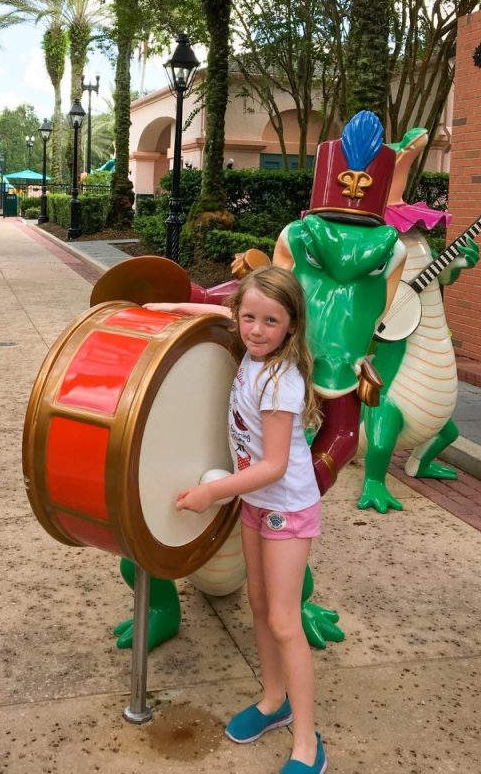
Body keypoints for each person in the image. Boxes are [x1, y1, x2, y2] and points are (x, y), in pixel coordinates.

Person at [146, 266, 326, 774]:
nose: (255, 329)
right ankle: (274, 701)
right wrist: (163, 311)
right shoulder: (248, 349)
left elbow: (273, 465)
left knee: (284, 622)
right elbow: (214, 313)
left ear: (291, 326)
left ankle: (308, 744)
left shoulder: (279, 380)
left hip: (286, 509)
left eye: (271, 321)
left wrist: (211, 492)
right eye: (249, 317)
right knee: (260, 603)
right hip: (256, 503)